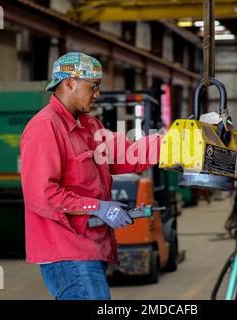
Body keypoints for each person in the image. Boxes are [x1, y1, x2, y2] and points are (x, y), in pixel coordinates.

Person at [20, 52, 164, 300]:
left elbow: (128, 154)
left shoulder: (89, 126)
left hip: (89, 249)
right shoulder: (45, 127)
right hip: (67, 252)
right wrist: (97, 207)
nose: (97, 93)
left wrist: (177, 142)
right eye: (93, 86)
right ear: (70, 82)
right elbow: (41, 195)